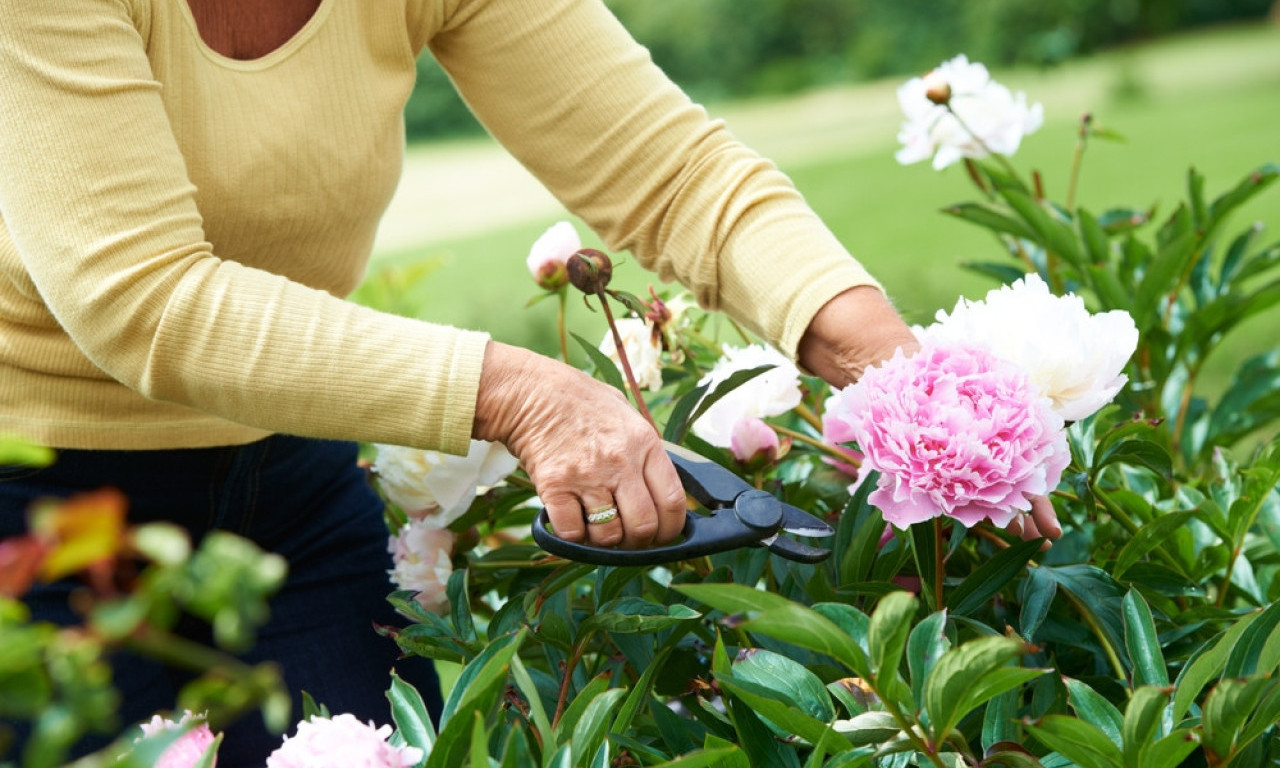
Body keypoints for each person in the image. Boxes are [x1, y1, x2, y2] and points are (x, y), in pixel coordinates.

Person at [0, 1, 1054, 765]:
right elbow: (143, 298)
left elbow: (669, 171)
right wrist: (517, 391)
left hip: (288, 490)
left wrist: (907, 386)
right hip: (38, 526)